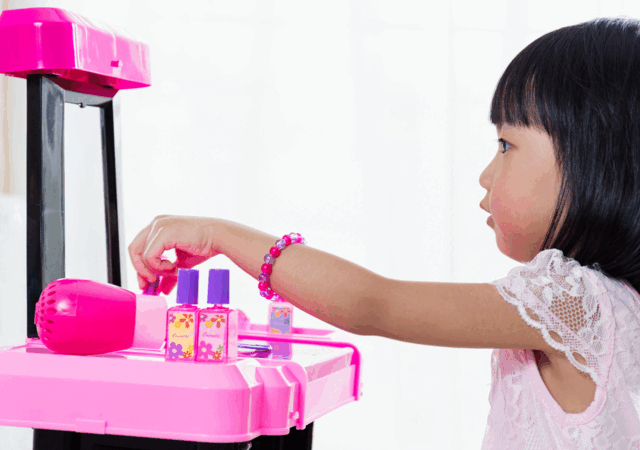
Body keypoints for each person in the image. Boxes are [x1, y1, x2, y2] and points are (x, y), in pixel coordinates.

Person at [128, 17, 640, 449]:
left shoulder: (577, 304)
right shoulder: (610, 305)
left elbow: (370, 303)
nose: (486, 174)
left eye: (506, 145)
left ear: (594, 160)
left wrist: (221, 235)